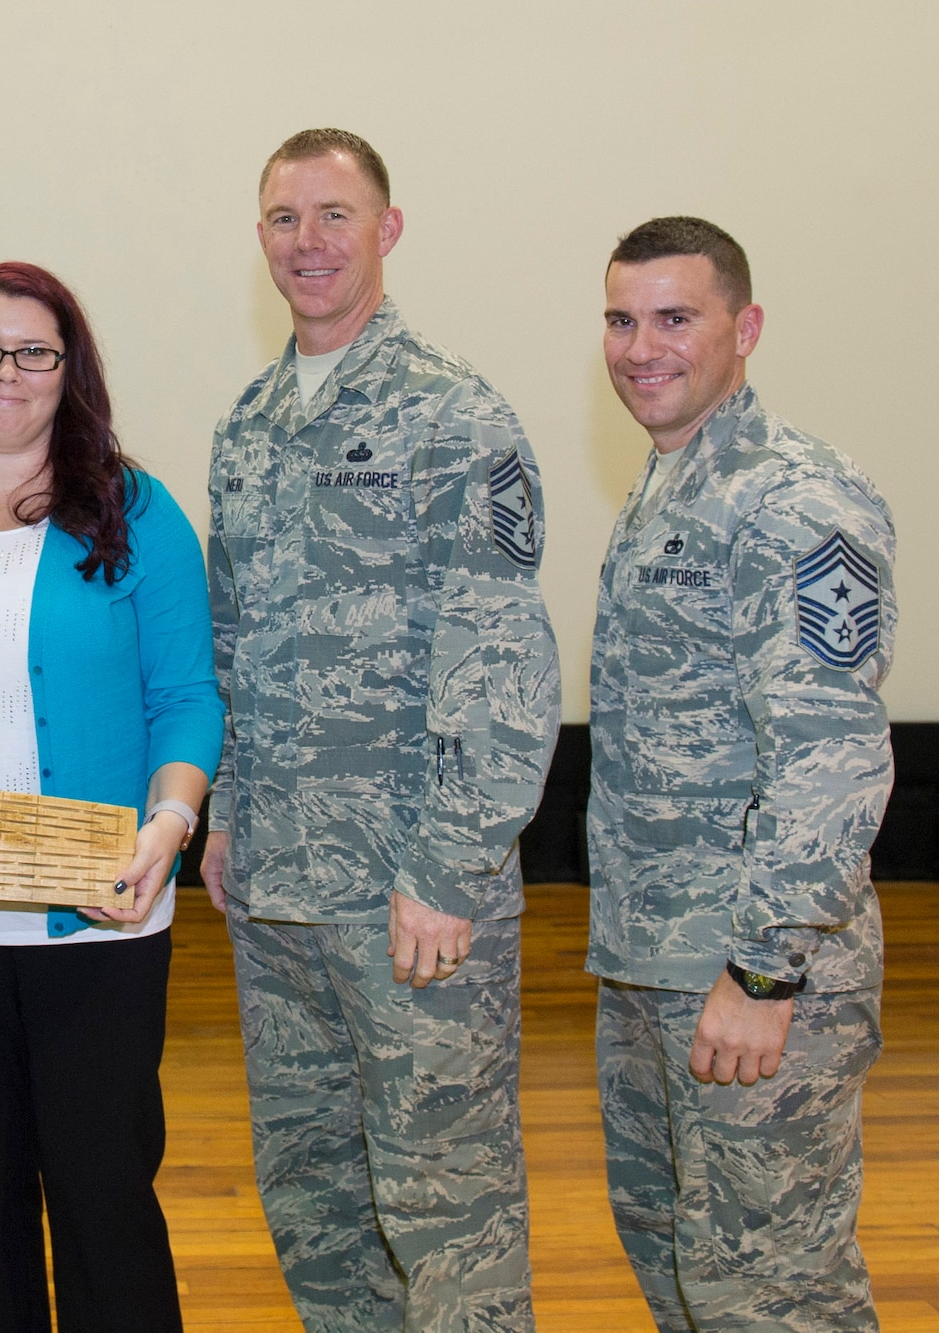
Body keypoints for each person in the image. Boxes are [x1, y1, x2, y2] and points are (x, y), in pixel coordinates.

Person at [200, 127, 561, 1332]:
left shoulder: (453, 414)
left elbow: (503, 664)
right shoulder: (247, 424)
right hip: (277, 895)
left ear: (387, 231)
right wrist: (226, 812)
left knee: (444, 1209)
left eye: (334, 216)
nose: (307, 244)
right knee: (316, 1203)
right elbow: (233, 637)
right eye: (283, 219)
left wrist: (449, 870)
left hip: (412, 901)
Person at [0, 261, 224, 1333]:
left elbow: (187, 698)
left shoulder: (134, 511)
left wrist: (169, 826)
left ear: (70, 372)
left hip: (101, 918)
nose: (4, 372)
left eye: (33, 352)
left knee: (104, 1205)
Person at [588, 216, 894, 1333]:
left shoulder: (791, 498)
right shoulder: (670, 486)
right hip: (656, 968)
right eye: (620, 319)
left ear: (744, 327)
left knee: (774, 1295)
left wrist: (762, 973)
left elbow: (829, 755)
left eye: (675, 317)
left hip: (751, 981)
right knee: (685, 1275)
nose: (639, 346)